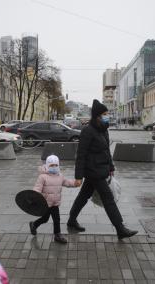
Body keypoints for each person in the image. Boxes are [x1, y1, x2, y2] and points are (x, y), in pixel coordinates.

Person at [67, 99, 138, 239]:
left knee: (83, 196)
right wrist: (78, 176)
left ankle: (71, 220)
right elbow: (81, 155)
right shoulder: (88, 131)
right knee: (108, 198)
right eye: (105, 114)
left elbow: (106, 151)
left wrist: (111, 167)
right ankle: (120, 228)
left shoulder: (104, 130)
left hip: (102, 169)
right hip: (93, 172)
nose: (108, 116)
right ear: (98, 115)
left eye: (107, 113)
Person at [29, 155, 78, 244]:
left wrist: (75, 183)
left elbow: (67, 182)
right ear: (47, 165)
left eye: (56, 165)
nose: (54, 167)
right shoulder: (42, 177)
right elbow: (37, 188)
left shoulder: (60, 176)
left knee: (57, 219)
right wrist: (34, 197)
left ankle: (57, 235)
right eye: (51, 165)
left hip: (55, 203)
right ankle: (34, 224)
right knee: (45, 219)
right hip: (45, 203)